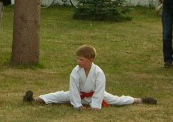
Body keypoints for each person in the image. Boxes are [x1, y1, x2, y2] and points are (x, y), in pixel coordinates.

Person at [23, 44, 157, 109]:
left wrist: (95, 106)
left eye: (81, 59)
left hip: (95, 96)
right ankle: (34, 99)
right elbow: (73, 89)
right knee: (59, 95)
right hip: (78, 95)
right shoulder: (75, 72)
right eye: (77, 59)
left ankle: (140, 100)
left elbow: (99, 91)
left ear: (91, 60)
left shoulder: (98, 72)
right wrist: (78, 105)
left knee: (117, 100)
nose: (78, 62)